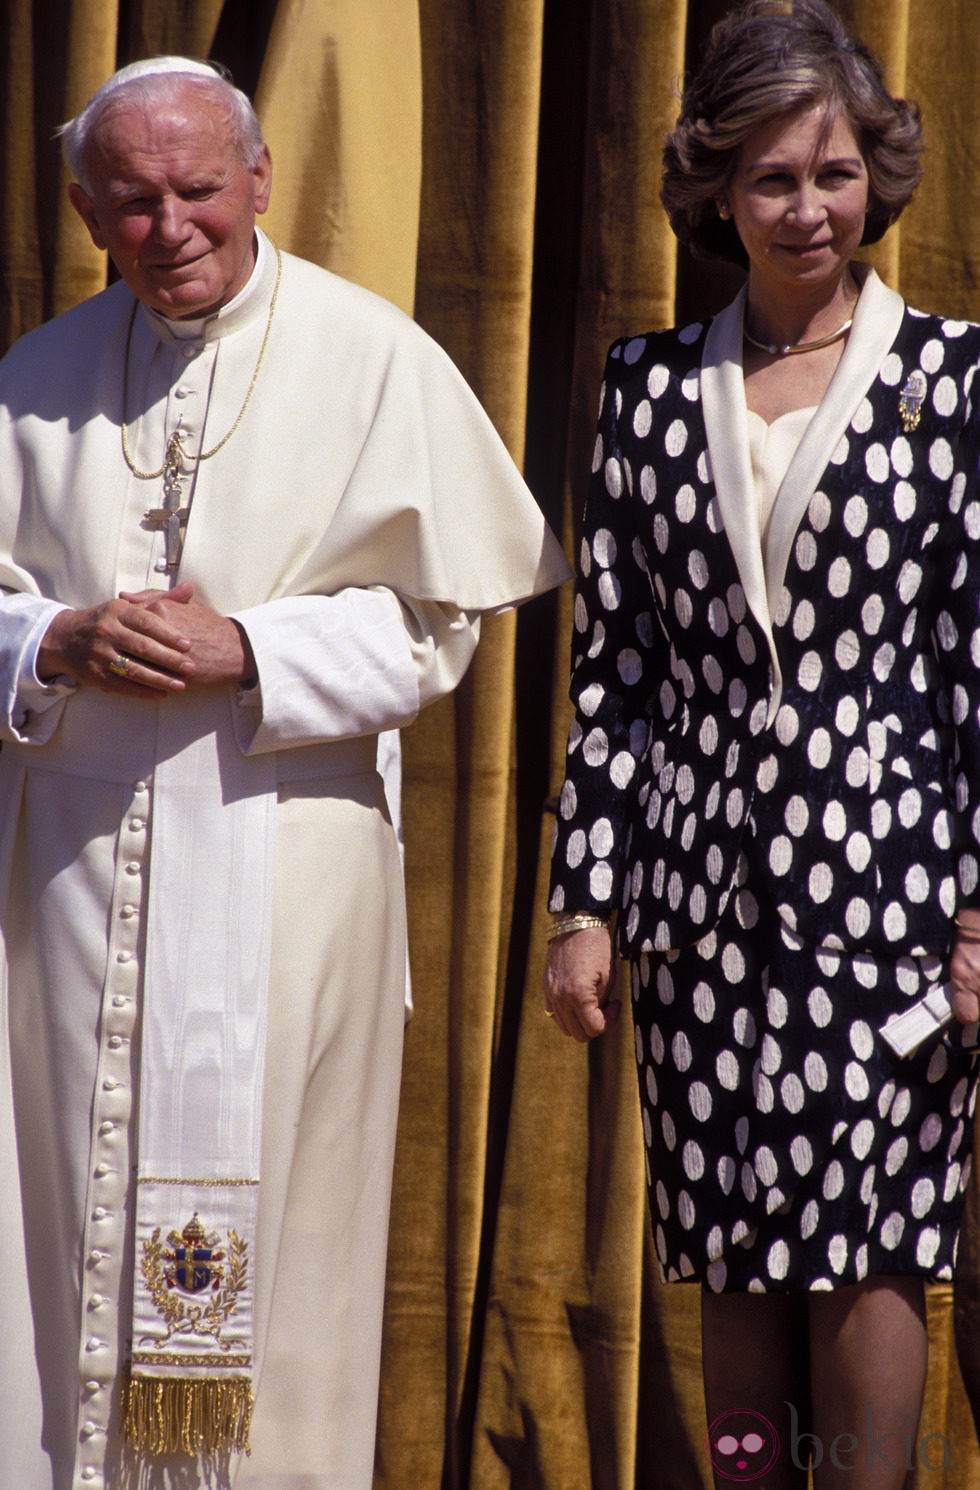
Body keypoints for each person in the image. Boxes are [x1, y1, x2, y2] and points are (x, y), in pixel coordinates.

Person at [0, 55, 569, 1490]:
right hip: (68, 893)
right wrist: (54, 634)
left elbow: (443, 628)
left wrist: (249, 649)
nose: (171, 227)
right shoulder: (38, 379)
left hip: (284, 879)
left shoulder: (372, 357)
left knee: (276, 1264)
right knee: (64, 1221)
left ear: (258, 180)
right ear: (85, 209)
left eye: (199, 190)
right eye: (133, 202)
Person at [544, 2, 980, 1484]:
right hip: (697, 894)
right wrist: (586, 905)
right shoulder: (648, 389)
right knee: (728, 1244)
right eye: (775, 177)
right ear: (717, 189)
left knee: (870, 1245)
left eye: (837, 172)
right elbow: (618, 669)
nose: (810, 208)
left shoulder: (957, 387)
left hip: (895, 896)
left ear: (880, 178)